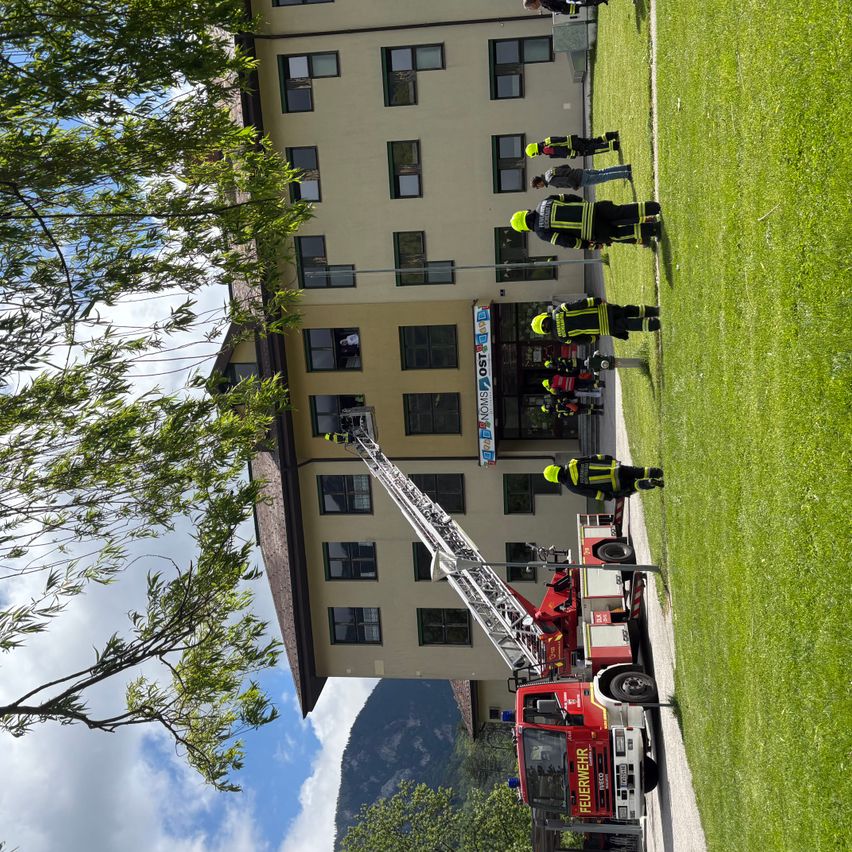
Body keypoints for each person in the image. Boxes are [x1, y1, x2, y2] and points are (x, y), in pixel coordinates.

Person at [510, 195, 661, 249]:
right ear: (526, 212)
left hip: (592, 230)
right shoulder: (543, 202)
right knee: (622, 211)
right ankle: (653, 207)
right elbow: (568, 197)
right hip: (593, 209)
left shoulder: (541, 232)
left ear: (525, 228)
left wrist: (586, 245)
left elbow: (566, 241)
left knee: (619, 234)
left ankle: (653, 229)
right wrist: (585, 205)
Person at [531, 298, 660, 344]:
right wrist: (597, 300)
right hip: (604, 311)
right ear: (543, 316)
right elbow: (578, 304)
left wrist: (594, 338)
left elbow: (581, 340)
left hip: (604, 327)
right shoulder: (558, 311)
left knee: (629, 325)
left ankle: (655, 324)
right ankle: (655, 311)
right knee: (628, 310)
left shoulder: (561, 337)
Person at [543, 457, 664, 500]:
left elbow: (594, 494)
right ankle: (657, 472)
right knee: (637, 471)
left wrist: (609, 496)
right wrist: (608, 458)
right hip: (614, 469)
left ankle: (648, 483)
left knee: (633, 485)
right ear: (556, 467)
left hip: (613, 484)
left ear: (556, 480)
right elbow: (593, 457)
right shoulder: (573, 463)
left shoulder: (571, 486)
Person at [531, 163, 632, 191]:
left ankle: (627, 174)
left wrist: (575, 187)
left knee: (604, 177)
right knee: (603, 171)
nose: (539, 188)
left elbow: (567, 180)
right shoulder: (549, 171)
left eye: (538, 187)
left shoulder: (551, 181)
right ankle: (626, 167)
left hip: (580, 180)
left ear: (539, 183)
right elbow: (565, 166)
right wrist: (572, 172)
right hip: (579, 171)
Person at [525, 133, 619, 159]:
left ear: (535, 152)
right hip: (573, 140)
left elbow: (561, 150)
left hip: (575, 148)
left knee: (595, 149)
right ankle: (612, 135)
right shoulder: (546, 141)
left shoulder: (546, 150)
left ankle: (614, 145)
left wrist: (576, 153)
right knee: (593, 141)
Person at [524, 0, 608, 14]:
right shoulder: (544, 3)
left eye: (530, 7)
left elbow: (558, 7)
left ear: (533, 3)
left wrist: (561, 10)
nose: (532, 9)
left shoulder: (545, 2)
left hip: (572, 3)